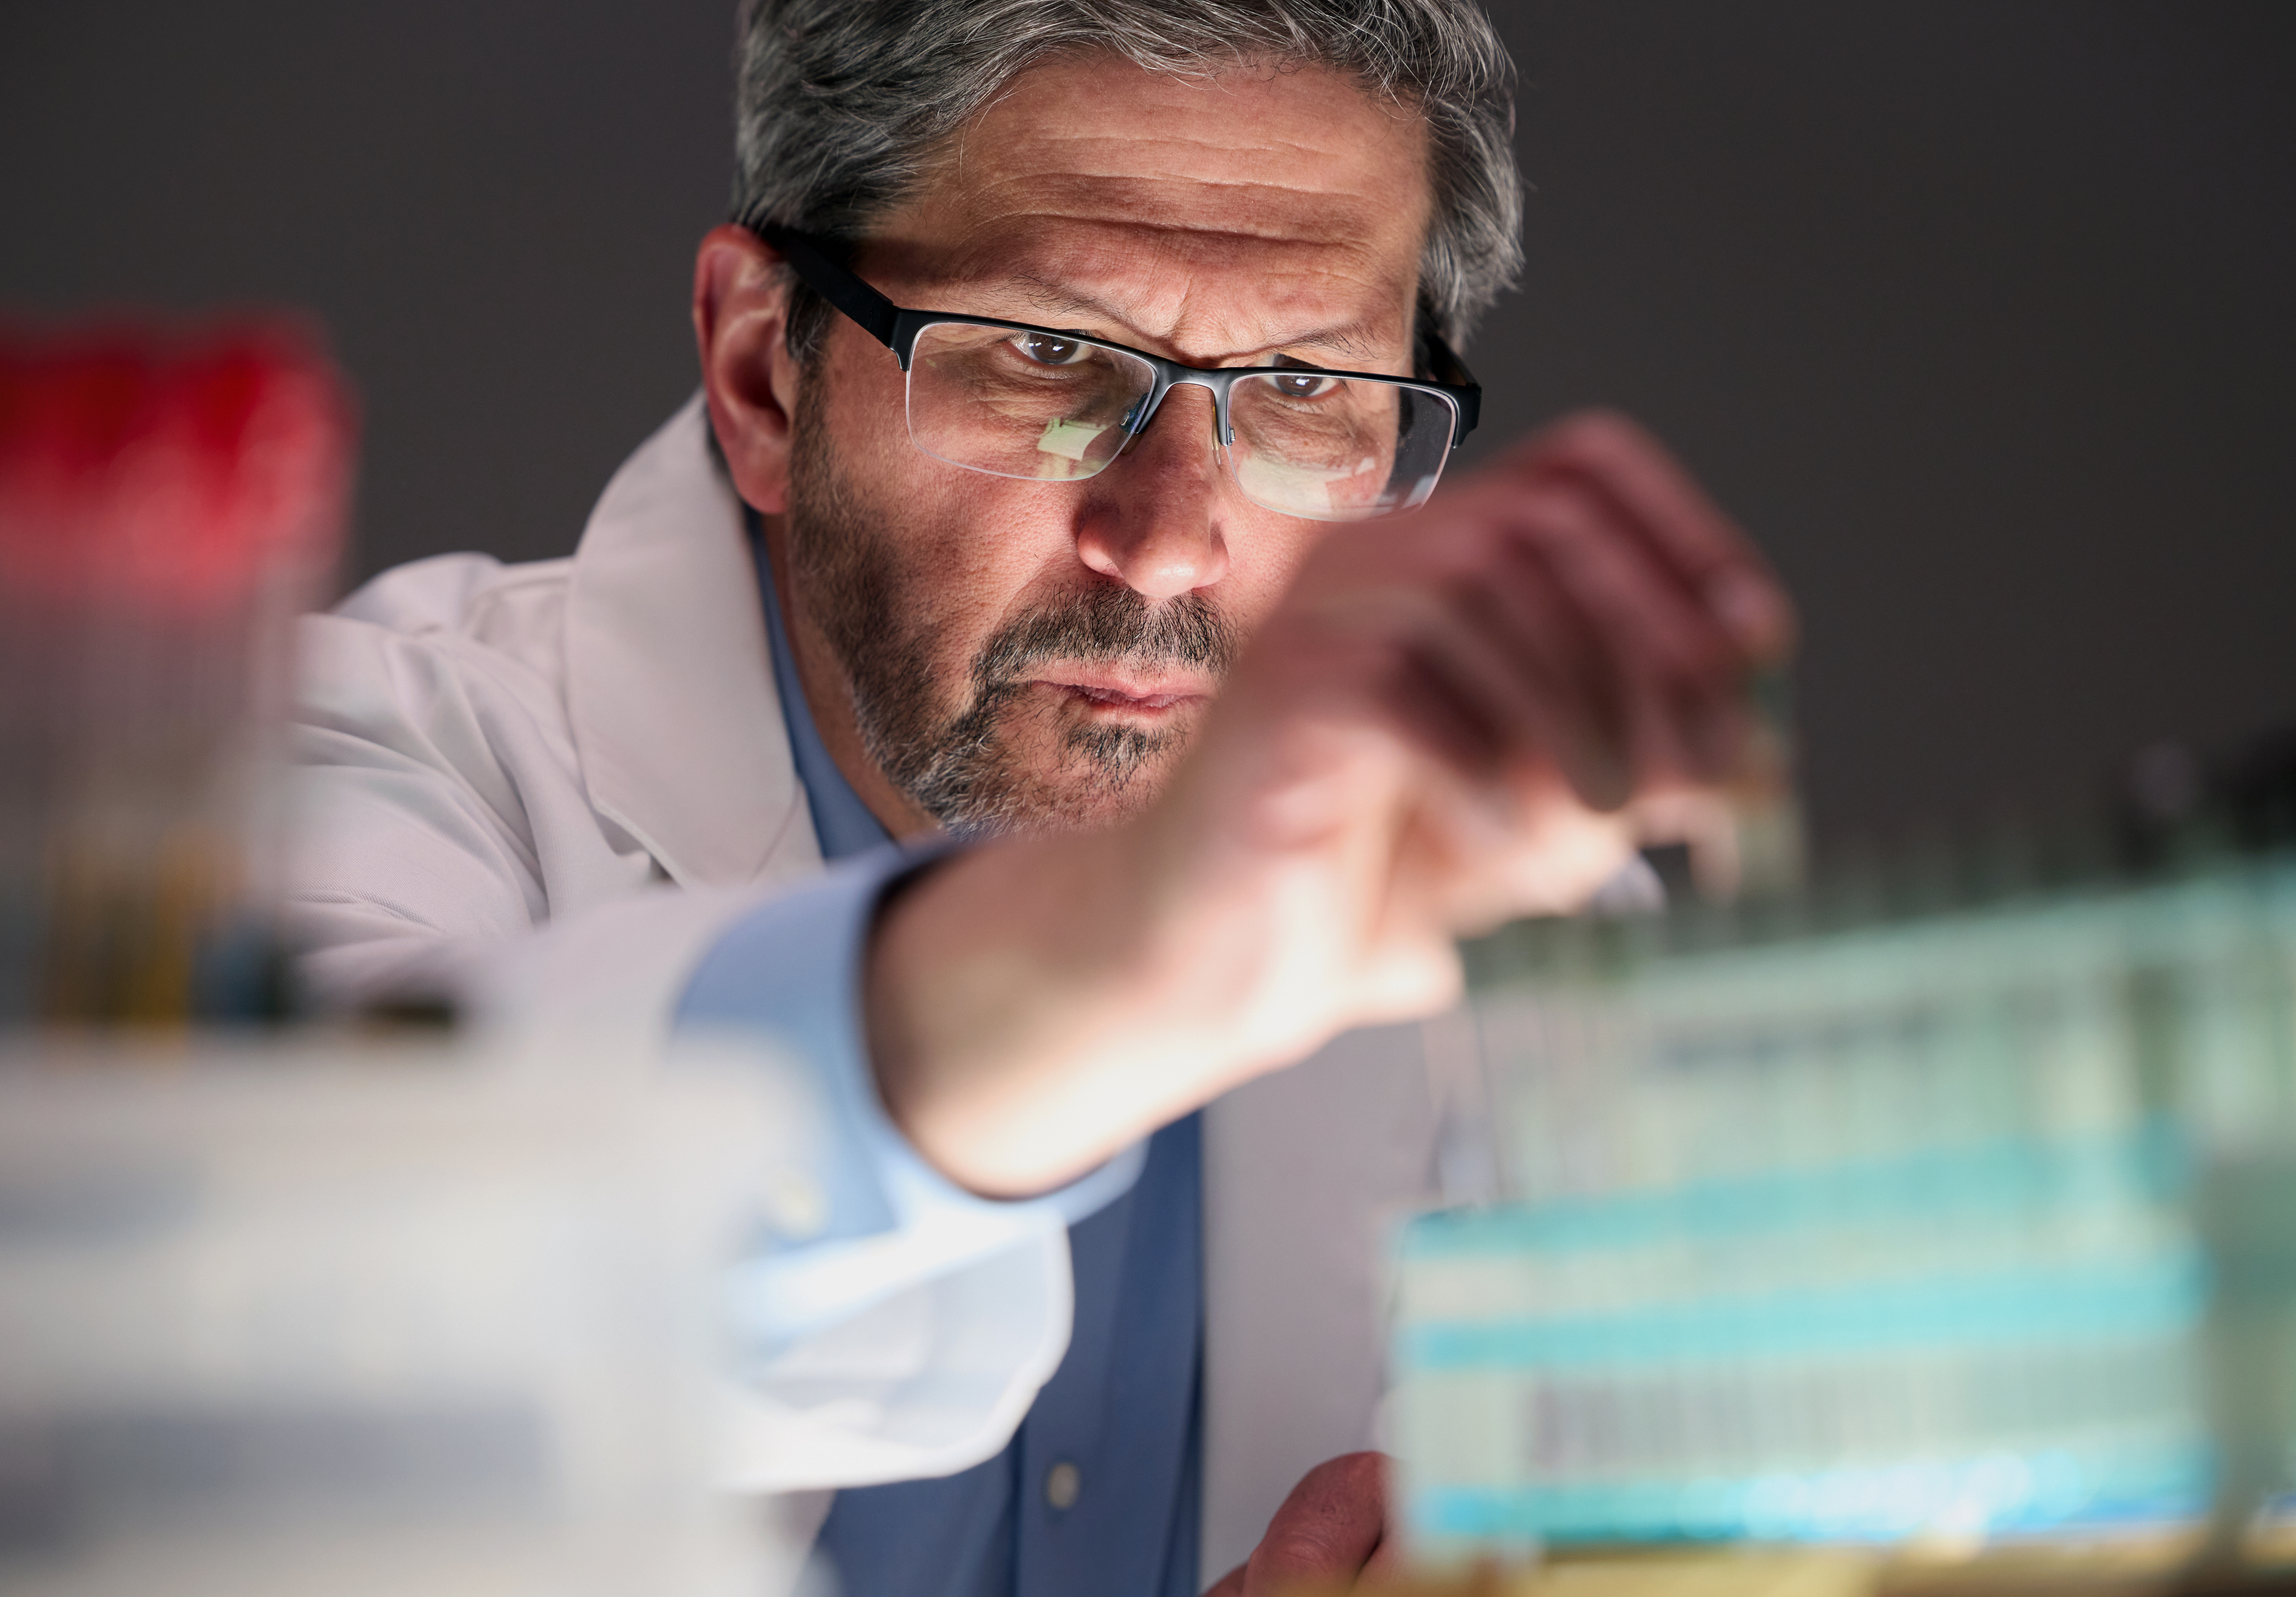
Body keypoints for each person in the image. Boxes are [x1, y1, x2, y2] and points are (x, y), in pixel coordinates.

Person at [284, 1, 1794, 1591]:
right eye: (1051, 354)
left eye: (1297, 386)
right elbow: (282, 1325)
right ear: (760, 377)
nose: (1164, 542)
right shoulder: (379, 760)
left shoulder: (1520, 930)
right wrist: (1120, 949)